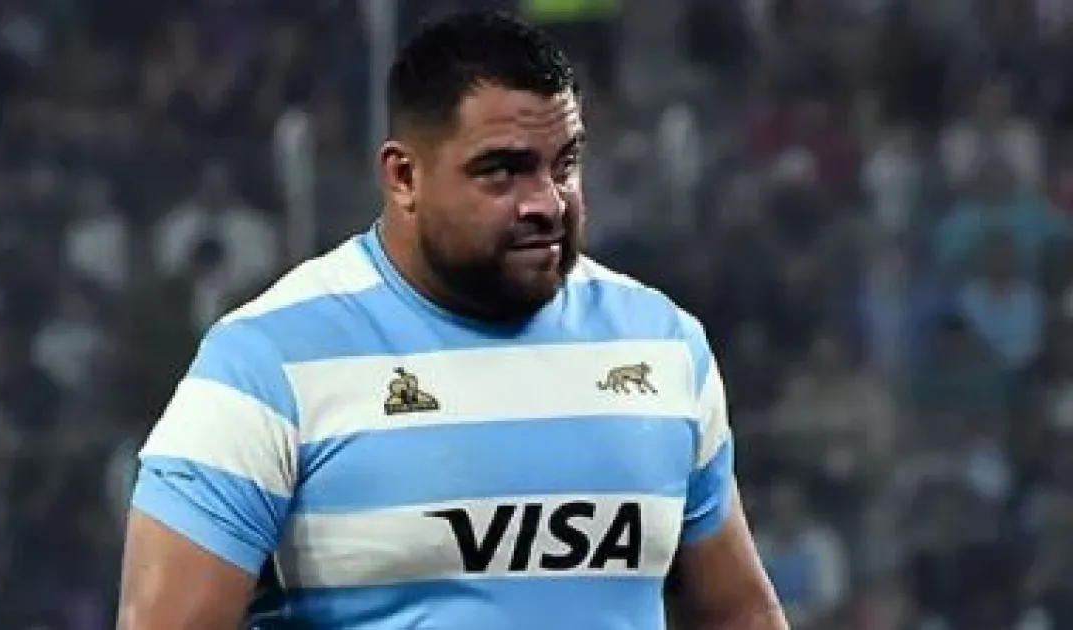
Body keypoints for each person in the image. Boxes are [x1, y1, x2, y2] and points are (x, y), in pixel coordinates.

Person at [117, 11, 786, 630]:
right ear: (403, 177)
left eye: (565, 165)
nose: (547, 203)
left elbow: (742, 617)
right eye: (503, 172)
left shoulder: (663, 347)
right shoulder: (265, 364)